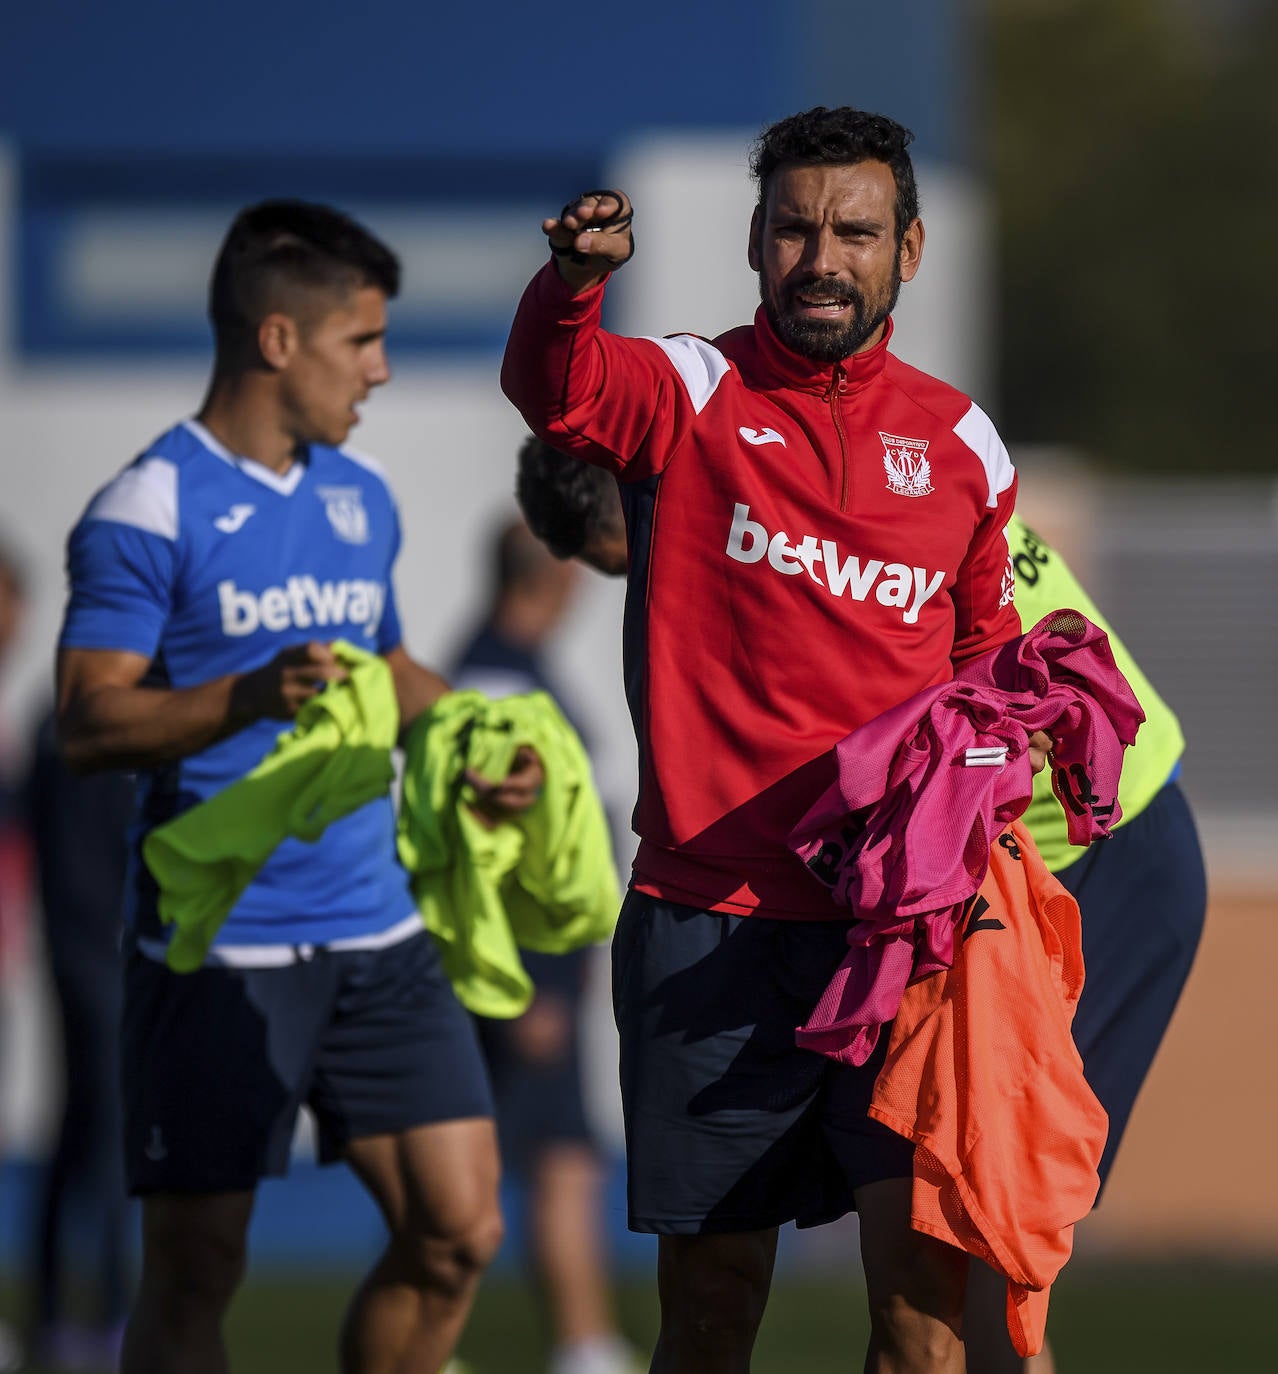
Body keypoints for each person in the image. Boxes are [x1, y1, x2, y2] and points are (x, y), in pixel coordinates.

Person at [501, 107, 1055, 1374]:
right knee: (711, 1304)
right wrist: (574, 285)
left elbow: (981, 658)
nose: (823, 257)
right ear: (756, 244)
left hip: (901, 940)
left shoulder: (965, 444)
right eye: (795, 228)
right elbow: (555, 388)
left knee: (923, 1316)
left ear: (907, 250)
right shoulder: (691, 393)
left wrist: (991, 789)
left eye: (854, 231)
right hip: (714, 923)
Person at [516, 451, 1208, 1373]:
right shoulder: (823, 467)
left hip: (1094, 851)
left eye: (631, 558)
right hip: (1027, 839)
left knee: (989, 1247)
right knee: (966, 1263)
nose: (650, 581)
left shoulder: (801, 507)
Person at [55, 199, 542, 1374]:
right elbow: (85, 720)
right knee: (193, 1276)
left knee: (459, 1231)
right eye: (359, 342)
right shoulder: (146, 507)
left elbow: (382, 662)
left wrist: (482, 742)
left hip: (380, 931)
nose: (378, 370)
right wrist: (241, 697)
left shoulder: (356, 495)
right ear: (279, 341)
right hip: (220, 946)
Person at [448, 512, 640, 1374]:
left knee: (535, 1163)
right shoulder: (495, 685)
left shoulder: (505, 672)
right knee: (511, 1173)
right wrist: (532, 985)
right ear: (552, 575)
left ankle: (579, 1343)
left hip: (535, 974)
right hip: (520, 980)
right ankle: (569, 1345)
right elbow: (484, 856)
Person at [23, 705, 134, 1372]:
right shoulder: (85, 723)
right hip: (95, 959)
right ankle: (107, 1315)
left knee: (80, 1136)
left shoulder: (65, 722)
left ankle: (60, 1314)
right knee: (109, 1141)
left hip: (92, 957)